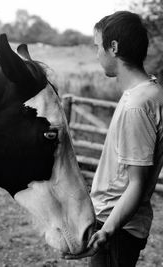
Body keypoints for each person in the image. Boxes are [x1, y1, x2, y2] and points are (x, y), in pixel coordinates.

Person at [63, 10, 163, 267]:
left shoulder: (137, 106)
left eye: (98, 46)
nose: (96, 54)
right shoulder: (149, 92)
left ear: (114, 47)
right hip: (117, 222)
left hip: (117, 226)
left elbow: (136, 184)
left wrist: (106, 231)